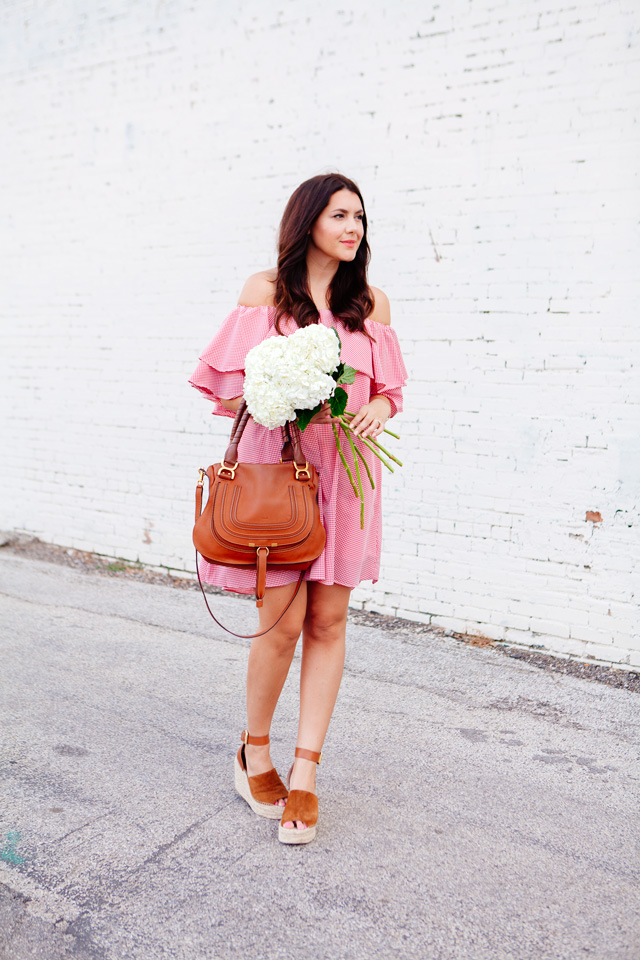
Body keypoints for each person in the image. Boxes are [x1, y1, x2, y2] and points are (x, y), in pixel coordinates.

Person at [189, 173, 407, 845]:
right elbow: (225, 392)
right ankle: (254, 751)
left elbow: (389, 391)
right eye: (340, 214)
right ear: (307, 219)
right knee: (279, 624)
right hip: (278, 473)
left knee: (329, 620)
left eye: (361, 219)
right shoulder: (264, 293)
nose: (353, 228)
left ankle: (306, 773)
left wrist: (374, 404)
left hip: (347, 476)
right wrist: (285, 393)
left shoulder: (372, 303)